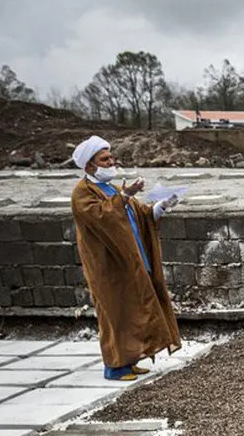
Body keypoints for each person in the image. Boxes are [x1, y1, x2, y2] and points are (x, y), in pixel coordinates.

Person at [70, 136, 182, 381]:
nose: (111, 162)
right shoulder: (82, 192)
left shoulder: (112, 188)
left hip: (131, 258)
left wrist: (163, 205)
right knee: (115, 313)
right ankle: (114, 365)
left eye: (111, 157)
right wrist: (124, 195)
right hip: (108, 266)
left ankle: (130, 361)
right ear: (89, 165)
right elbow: (101, 216)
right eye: (104, 159)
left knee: (132, 309)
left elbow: (141, 216)